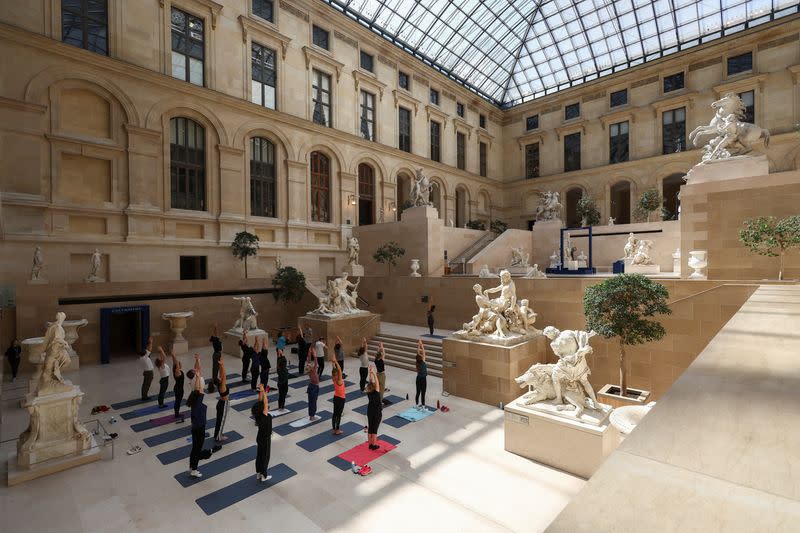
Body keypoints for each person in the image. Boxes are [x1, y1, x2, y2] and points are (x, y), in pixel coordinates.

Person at [187, 355, 210, 478]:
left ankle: (191, 466)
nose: (197, 371)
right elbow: (198, 371)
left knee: (195, 446)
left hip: (196, 422)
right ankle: (194, 469)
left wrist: (197, 360)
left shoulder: (193, 395)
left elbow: (197, 369)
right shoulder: (198, 392)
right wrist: (198, 361)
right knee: (197, 447)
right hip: (199, 423)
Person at [253, 383, 273, 482]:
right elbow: (264, 402)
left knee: (259, 455)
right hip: (265, 438)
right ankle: (264, 475)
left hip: (260, 437)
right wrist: (264, 392)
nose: (267, 405)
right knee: (265, 457)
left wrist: (261, 390)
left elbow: (260, 401)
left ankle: (258, 473)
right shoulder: (264, 415)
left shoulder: (258, 414)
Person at [365, 364, 383, 450]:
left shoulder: (369, 391)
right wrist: (374, 373)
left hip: (370, 410)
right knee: (375, 428)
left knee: (370, 426)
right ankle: (374, 444)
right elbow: (377, 383)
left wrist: (370, 372)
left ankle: (370, 444)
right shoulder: (376, 392)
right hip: (376, 411)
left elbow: (370, 382)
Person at [213, 359, 230, 443]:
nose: (220, 377)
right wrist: (222, 365)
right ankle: (218, 437)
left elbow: (222, 374)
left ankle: (217, 434)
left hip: (221, 403)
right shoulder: (222, 386)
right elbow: (224, 375)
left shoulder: (220, 384)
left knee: (219, 421)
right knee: (221, 421)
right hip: (223, 404)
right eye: (219, 378)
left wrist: (220, 365)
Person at [331, 360, 346, 435]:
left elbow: (335, 370)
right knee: (338, 415)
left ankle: (334, 429)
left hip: (336, 397)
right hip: (341, 399)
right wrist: (336, 362)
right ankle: (337, 430)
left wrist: (333, 363)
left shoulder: (333, 379)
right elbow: (339, 370)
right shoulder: (339, 380)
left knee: (335, 414)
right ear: (337, 375)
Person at [170, 349, 185, 422]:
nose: (180, 364)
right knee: (178, 402)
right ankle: (176, 414)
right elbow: (176, 363)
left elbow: (174, 363)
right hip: (179, 389)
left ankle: (177, 413)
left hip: (178, 388)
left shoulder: (175, 370)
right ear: (177, 366)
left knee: (177, 401)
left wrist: (173, 356)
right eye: (179, 364)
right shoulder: (177, 372)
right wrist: (174, 356)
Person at [306, 348, 320, 421]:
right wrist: (314, 356)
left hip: (312, 386)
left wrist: (309, 352)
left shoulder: (310, 370)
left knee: (311, 401)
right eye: (310, 365)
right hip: (314, 387)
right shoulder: (313, 370)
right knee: (313, 402)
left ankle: (311, 415)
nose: (311, 365)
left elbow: (308, 361)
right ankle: (312, 416)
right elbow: (316, 363)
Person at [139, 337, 154, 401]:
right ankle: (145, 397)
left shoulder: (141, 358)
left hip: (146, 372)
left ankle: (144, 395)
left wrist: (149, 343)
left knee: (145, 384)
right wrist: (150, 342)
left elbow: (148, 350)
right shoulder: (145, 357)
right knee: (147, 385)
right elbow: (150, 349)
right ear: (145, 353)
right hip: (149, 373)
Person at [208, 324, 222, 393]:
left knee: (215, 367)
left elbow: (215, 334)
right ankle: (215, 379)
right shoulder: (216, 340)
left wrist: (215, 327)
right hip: (217, 354)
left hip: (216, 354)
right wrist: (215, 327)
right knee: (216, 367)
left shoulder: (214, 341)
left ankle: (215, 378)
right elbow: (216, 333)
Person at [415, 339, 428, 408]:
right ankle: (423, 406)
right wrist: (421, 345)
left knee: (418, 392)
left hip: (418, 379)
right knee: (423, 393)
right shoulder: (423, 361)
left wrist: (419, 345)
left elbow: (418, 353)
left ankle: (417, 405)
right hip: (423, 379)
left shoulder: (417, 363)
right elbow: (423, 352)